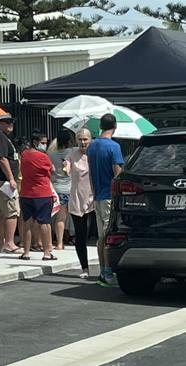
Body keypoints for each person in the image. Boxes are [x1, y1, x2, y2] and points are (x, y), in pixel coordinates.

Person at [87, 113, 124, 287]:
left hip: (98, 194)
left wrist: (94, 193)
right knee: (109, 235)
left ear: (100, 126)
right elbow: (117, 172)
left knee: (102, 236)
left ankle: (103, 271)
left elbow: (91, 174)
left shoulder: (92, 146)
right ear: (115, 126)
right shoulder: (114, 147)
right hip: (110, 195)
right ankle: (108, 273)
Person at [0, 119, 22, 254]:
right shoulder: (0, 138)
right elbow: (2, 158)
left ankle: (0, 243)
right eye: (7, 122)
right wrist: (11, 178)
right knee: (11, 211)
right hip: (3, 181)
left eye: (12, 122)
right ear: (0, 123)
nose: (10, 125)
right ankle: (9, 243)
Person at [19, 137, 56, 261]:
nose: (45, 145)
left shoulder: (24, 155)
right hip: (42, 193)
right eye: (43, 143)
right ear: (36, 142)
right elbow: (52, 170)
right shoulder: (43, 157)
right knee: (44, 223)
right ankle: (46, 252)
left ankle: (26, 252)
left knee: (27, 222)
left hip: (26, 193)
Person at [67, 128, 95, 279]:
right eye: (80, 139)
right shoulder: (72, 154)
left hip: (95, 198)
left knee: (100, 235)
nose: (83, 142)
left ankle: (106, 268)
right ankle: (85, 268)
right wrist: (65, 168)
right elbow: (67, 166)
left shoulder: (95, 153)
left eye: (85, 139)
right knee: (81, 235)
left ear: (91, 139)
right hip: (78, 199)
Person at [48, 129, 74, 251]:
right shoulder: (72, 152)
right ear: (69, 141)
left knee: (57, 217)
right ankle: (61, 242)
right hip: (70, 188)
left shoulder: (51, 155)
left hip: (56, 187)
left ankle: (58, 242)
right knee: (72, 218)